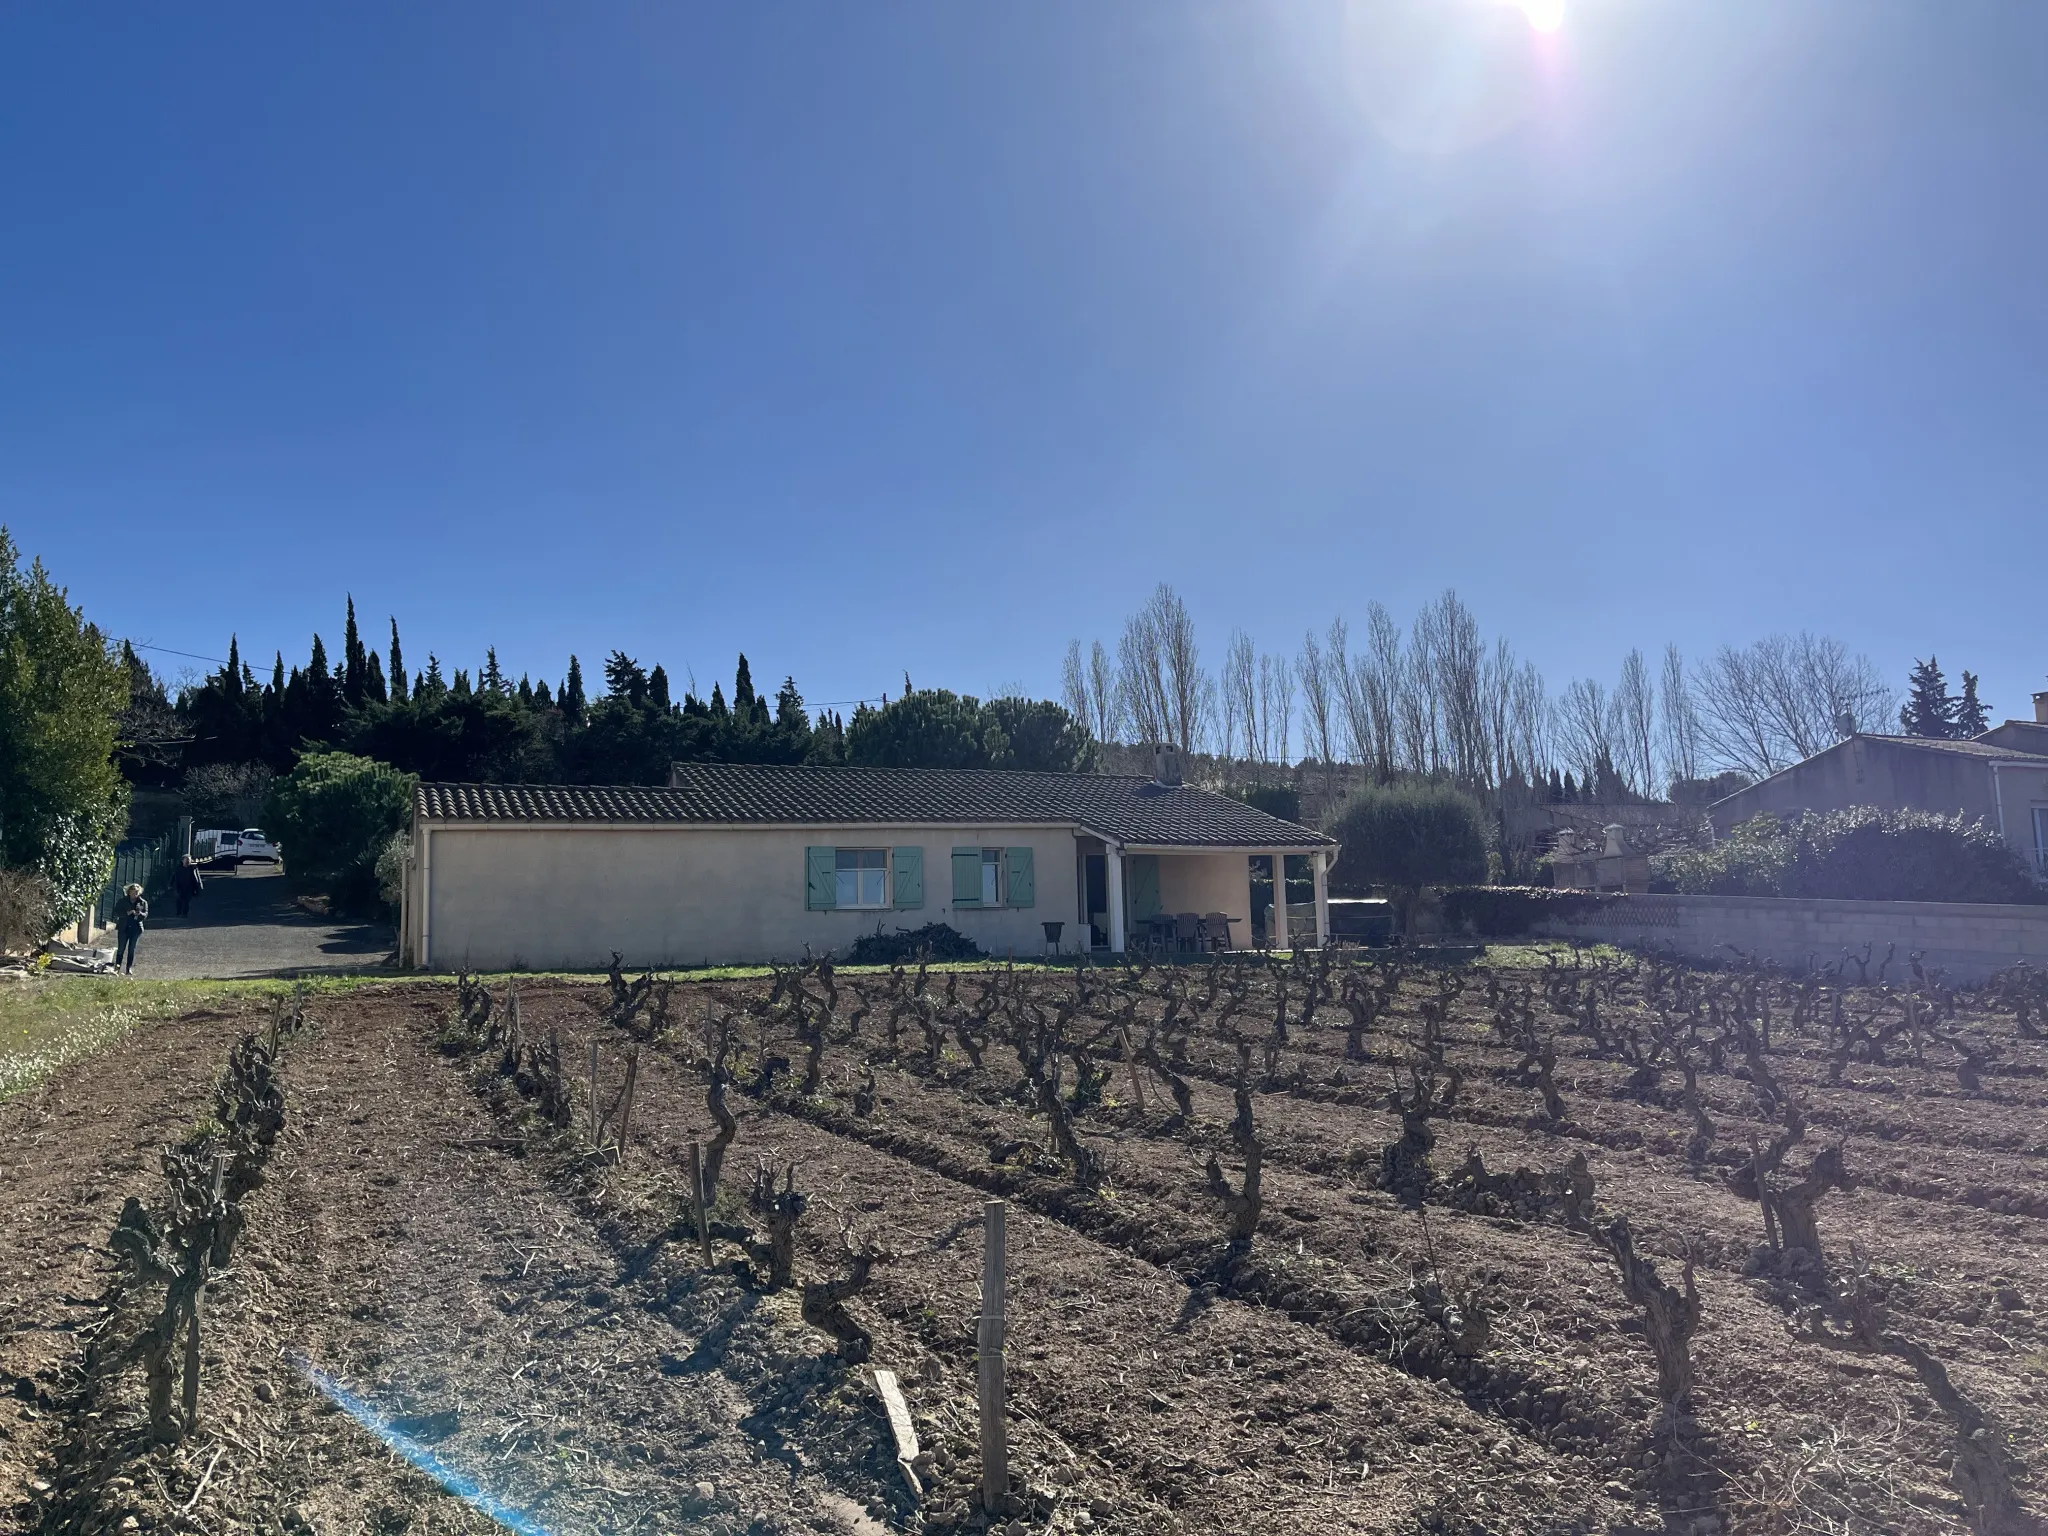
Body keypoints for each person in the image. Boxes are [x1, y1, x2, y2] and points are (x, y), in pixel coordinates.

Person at [114, 883, 148, 976]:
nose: (134, 895)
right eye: (133, 893)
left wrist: (139, 914)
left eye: (137, 893)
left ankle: (128, 968)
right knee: (121, 948)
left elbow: (145, 915)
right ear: (129, 892)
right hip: (123, 927)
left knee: (131, 949)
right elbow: (116, 912)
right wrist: (127, 913)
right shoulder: (122, 901)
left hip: (135, 928)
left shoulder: (142, 902)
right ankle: (117, 968)